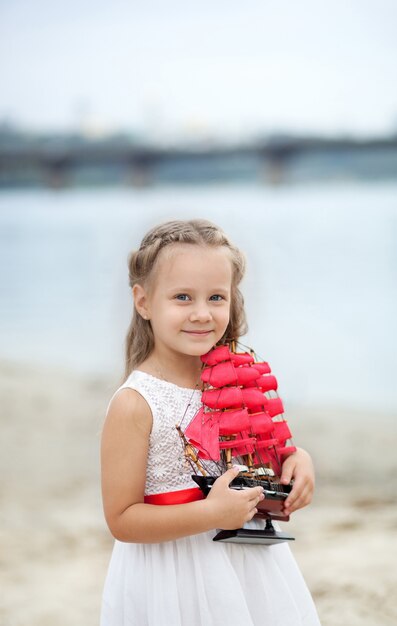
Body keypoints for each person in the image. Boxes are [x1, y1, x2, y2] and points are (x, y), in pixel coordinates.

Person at [100, 219, 321, 626]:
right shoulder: (136, 403)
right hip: (172, 575)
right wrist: (211, 514)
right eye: (182, 297)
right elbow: (121, 519)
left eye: (216, 297)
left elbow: (256, 462)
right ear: (144, 301)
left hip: (249, 565)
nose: (202, 314)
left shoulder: (237, 378)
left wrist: (296, 460)